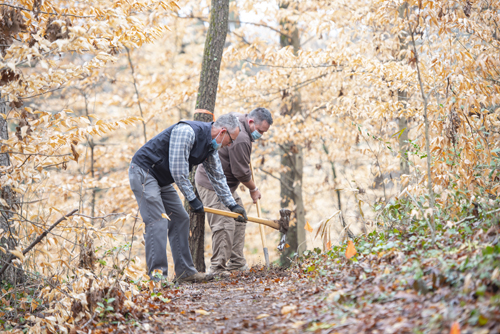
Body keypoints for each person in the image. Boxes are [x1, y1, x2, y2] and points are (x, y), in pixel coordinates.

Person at [128, 113, 248, 283]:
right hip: (143, 172)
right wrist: (192, 199)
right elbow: (178, 170)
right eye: (231, 140)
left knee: (181, 218)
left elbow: (217, 177)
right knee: (158, 221)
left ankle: (185, 272)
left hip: (161, 179)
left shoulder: (210, 147)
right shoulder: (187, 132)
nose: (231, 144)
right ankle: (156, 279)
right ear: (222, 132)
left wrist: (232, 205)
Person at [195, 107, 273, 276]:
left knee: (239, 217)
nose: (261, 135)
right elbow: (241, 172)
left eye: (264, 132)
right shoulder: (242, 138)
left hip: (226, 186)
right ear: (251, 122)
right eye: (260, 131)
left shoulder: (239, 119)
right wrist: (254, 189)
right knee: (224, 224)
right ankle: (217, 268)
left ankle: (236, 263)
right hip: (211, 184)